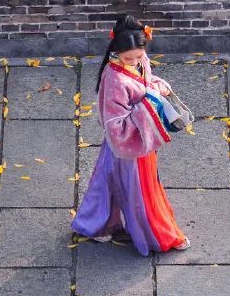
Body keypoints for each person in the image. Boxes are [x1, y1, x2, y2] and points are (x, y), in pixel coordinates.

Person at [72, 15, 190, 256]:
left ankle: (95, 225)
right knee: (142, 194)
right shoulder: (114, 79)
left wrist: (157, 86)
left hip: (131, 143)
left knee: (107, 182)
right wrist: (149, 101)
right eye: (129, 58)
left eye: (139, 56)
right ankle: (160, 236)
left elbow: (147, 82)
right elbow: (115, 125)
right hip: (128, 146)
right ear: (116, 51)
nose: (135, 61)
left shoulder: (139, 61)